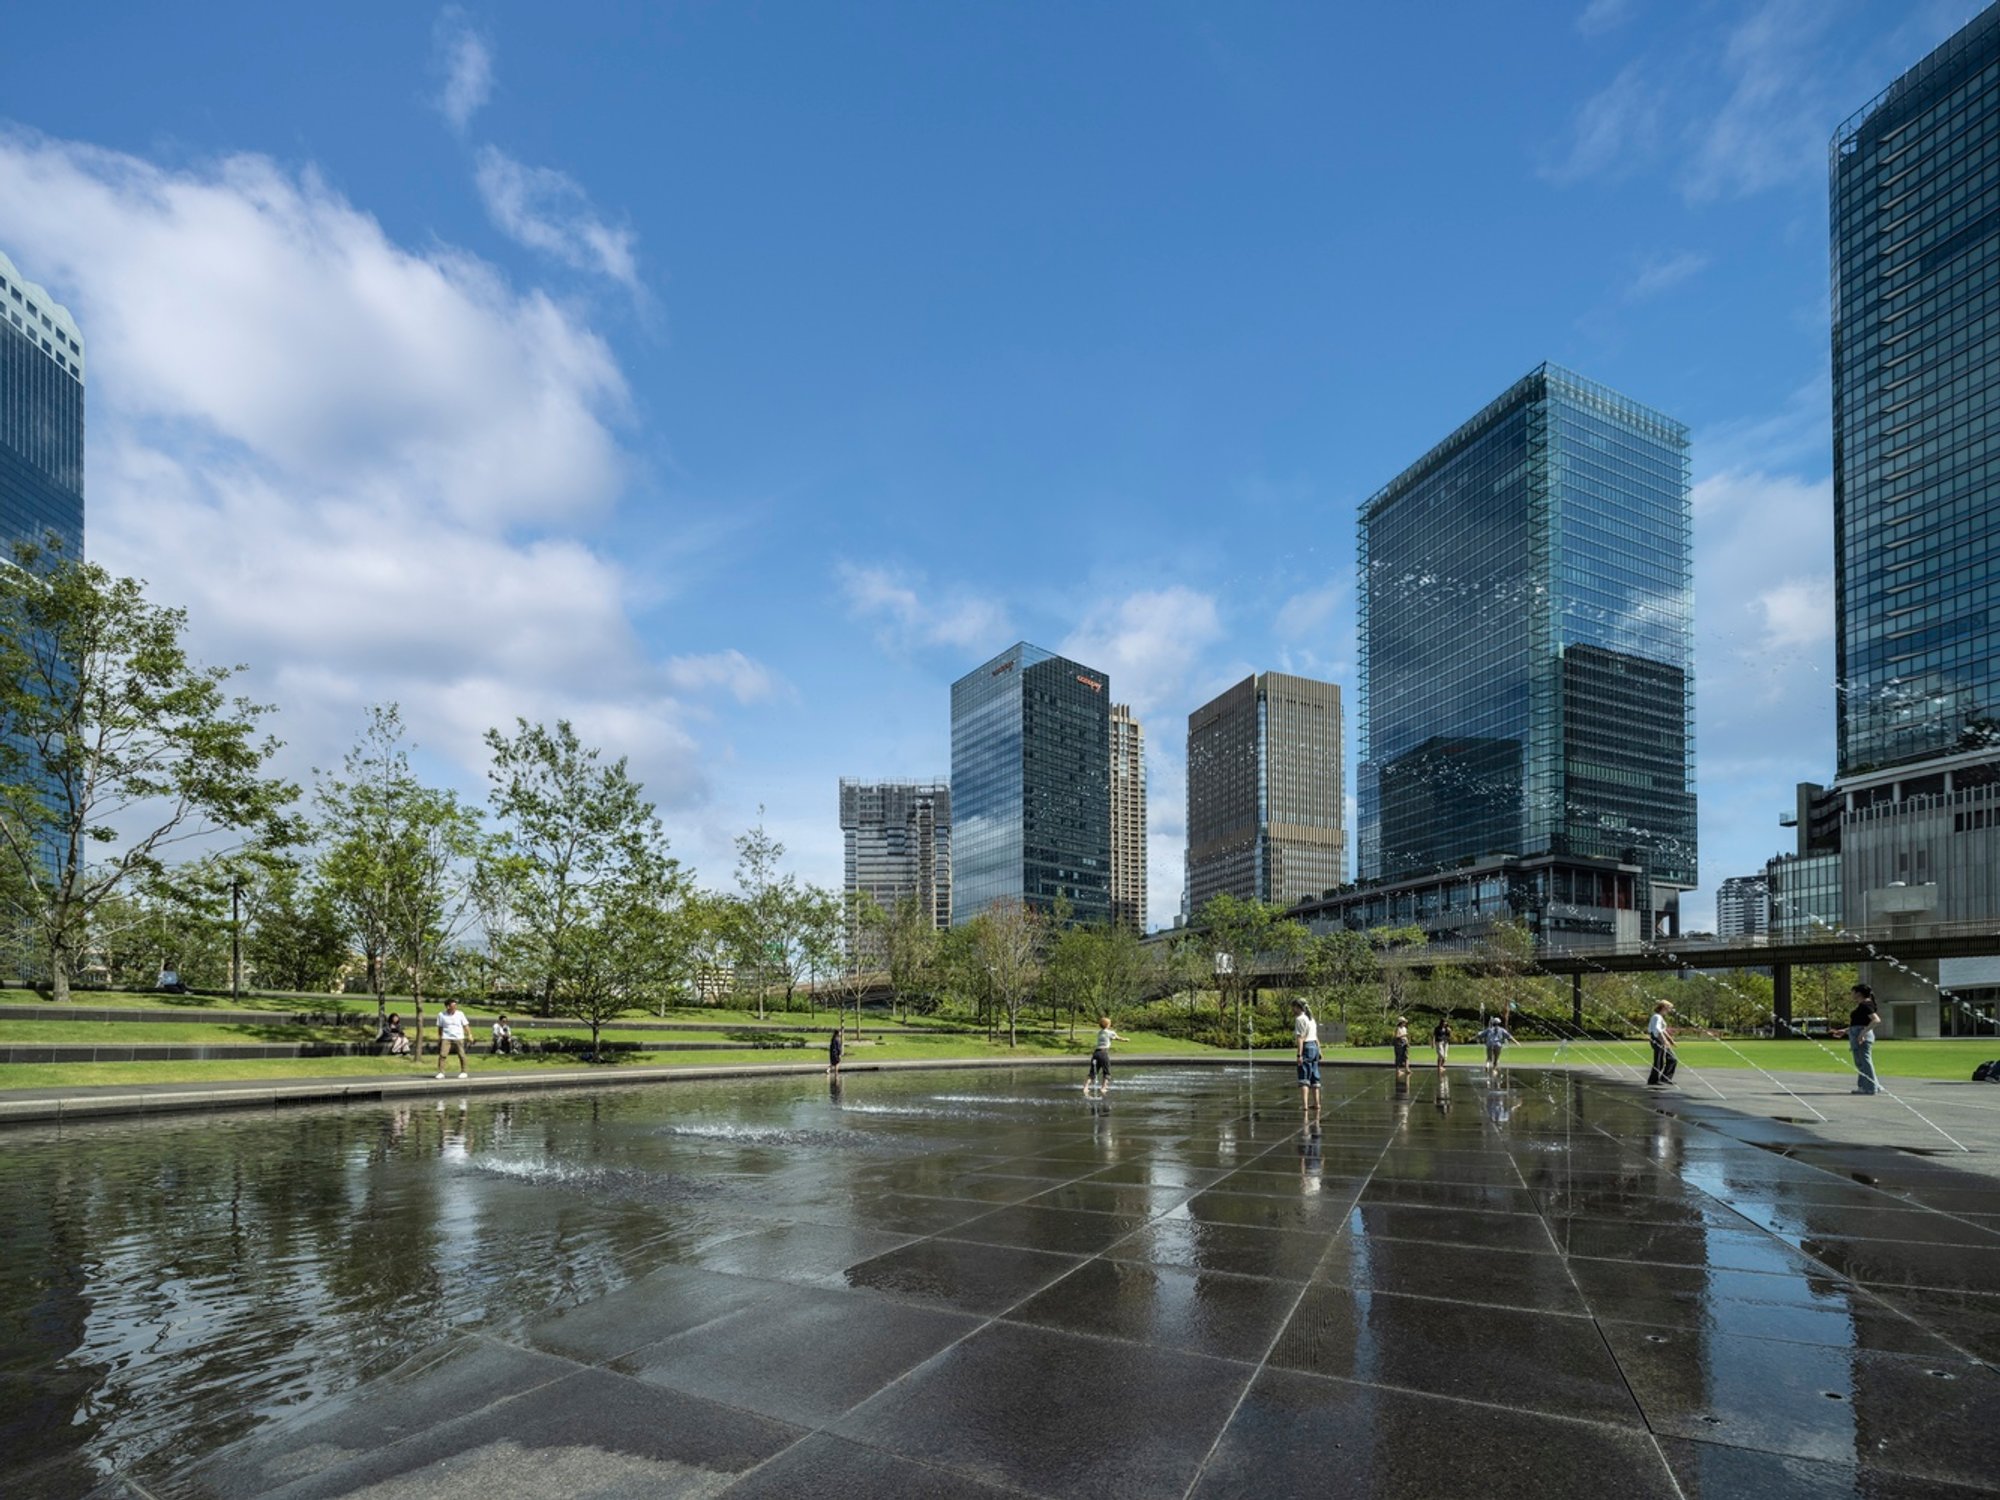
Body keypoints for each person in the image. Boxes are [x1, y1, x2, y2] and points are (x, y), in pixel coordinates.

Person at [1848, 983, 1881, 1096]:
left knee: (1864, 1062)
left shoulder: (1865, 1005)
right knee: (1862, 1063)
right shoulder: (1864, 1005)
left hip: (1861, 1035)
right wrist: (1845, 1030)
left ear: (1859, 993)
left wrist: (1862, 1033)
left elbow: (1876, 1020)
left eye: (1853, 992)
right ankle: (1872, 1085)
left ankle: (1869, 1088)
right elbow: (1859, 1023)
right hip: (1857, 1033)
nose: (1851, 994)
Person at [1293, 1000, 1322, 1116]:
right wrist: (1319, 1050)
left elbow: (1300, 1038)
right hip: (1314, 1047)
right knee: (1315, 1077)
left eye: (1293, 1007)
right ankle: (1316, 1103)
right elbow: (1315, 1036)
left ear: (1298, 1007)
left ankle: (1305, 1105)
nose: (1292, 1010)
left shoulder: (1299, 1019)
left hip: (1306, 1047)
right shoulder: (1311, 1019)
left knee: (1304, 1077)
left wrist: (1299, 1055)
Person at [435, 999, 472, 1079]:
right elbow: (440, 1027)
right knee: (442, 1055)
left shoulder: (460, 1014)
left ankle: (464, 1072)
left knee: (461, 1055)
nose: (455, 1007)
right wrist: (440, 1037)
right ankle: (441, 1072)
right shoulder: (441, 1015)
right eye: (453, 1006)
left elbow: (465, 1025)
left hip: (458, 1037)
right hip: (446, 1037)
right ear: (448, 1006)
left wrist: (469, 1035)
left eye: (456, 1005)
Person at [1087, 1016, 1122, 1095]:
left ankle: (1085, 1088)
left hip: (1096, 1053)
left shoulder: (1100, 1032)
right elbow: (1117, 1038)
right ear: (1108, 1025)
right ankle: (1103, 1088)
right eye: (1110, 1023)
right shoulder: (1111, 1032)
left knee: (1093, 1072)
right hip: (1103, 1053)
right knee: (1106, 1072)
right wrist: (1124, 1039)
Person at [1646, 1000, 1677, 1086]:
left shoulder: (1659, 1017)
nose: (1670, 1010)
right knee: (1659, 1061)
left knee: (1672, 1059)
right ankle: (1653, 1080)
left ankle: (1665, 1078)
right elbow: (1657, 1030)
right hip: (1657, 1039)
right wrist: (1664, 1040)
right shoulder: (1657, 1017)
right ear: (1664, 1007)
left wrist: (1670, 1039)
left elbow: (1663, 1030)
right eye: (1669, 1008)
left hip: (1659, 1039)